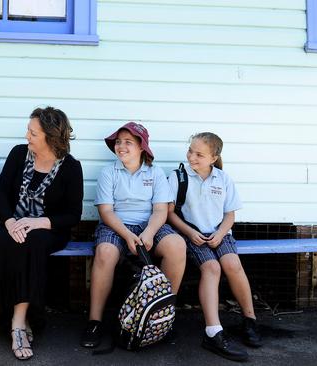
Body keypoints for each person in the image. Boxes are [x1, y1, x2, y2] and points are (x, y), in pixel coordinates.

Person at [80, 122, 186, 348]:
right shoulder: (109, 172)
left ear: (141, 148)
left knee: (177, 245)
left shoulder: (155, 173)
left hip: (150, 225)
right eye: (118, 142)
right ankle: (95, 321)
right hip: (116, 225)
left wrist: (148, 233)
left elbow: (160, 210)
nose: (121, 147)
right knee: (105, 252)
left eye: (128, 142)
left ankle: (163, 315)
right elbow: (106, 212)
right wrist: (128, 235)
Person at [0, 106, 83, 360]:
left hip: (48, 229)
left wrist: (37, 222)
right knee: (13, 240)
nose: (27, 136)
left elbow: (73, 215)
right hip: (12, 223)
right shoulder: (19, 154)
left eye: (33, 132)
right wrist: (10, 222)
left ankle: (19, 321)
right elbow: (1, 193)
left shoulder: (71, 168)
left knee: (31, 240)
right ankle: (20, 320)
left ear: (50, 137)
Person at [167, 132, 262, 362]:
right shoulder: (178, 177)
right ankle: (213, 331)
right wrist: (190, 232)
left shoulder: (223, 178)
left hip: (220, 234)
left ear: (214, 157)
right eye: (191, 151)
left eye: (199, 154)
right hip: (193, 235)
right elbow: (169, 213)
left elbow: (230, 214)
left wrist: (220, 233)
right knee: (212, 268)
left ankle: (250, 320)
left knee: (232, 264)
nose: (192, 157)